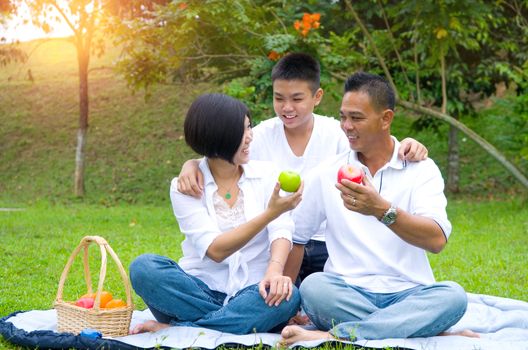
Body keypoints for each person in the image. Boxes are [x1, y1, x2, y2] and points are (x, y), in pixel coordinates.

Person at [176, 53, 428, 288]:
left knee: (316, 292)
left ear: (317, 97)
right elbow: (224, 152)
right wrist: (193, 164)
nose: (287, 107)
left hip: (327, 244)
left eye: (297, 99)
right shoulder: (261, 135)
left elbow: (374, 143)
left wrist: (408, 144)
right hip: (276, 244)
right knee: (285, 293)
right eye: (279, 98)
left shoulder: (337, 134)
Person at [280, 72, 478, 344]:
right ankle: (414, 326)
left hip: (409, 292)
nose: (347, 126)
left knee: (453, 296)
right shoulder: (327, 173)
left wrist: (381, 210)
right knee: (314, 287)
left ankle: (332, 334)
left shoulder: (421, 169)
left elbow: (436, 240)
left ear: (386, 118)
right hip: (346, 291)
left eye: (357, 118)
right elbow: (297, 238)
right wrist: (288, 304)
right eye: (343, 117)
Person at [129, 93, 302, 335]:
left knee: (289, 296)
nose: (250, 136)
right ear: (220, 137)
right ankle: (228, 323)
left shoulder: (267, 174)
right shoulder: (185, 187)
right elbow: (215, 250)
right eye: (242, 131)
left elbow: (281, 229)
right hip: (197, 291)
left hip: (253, 291)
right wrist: (270, 213)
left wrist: (274, 271)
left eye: (249, 127)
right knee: (144, 268)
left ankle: (176, 329)